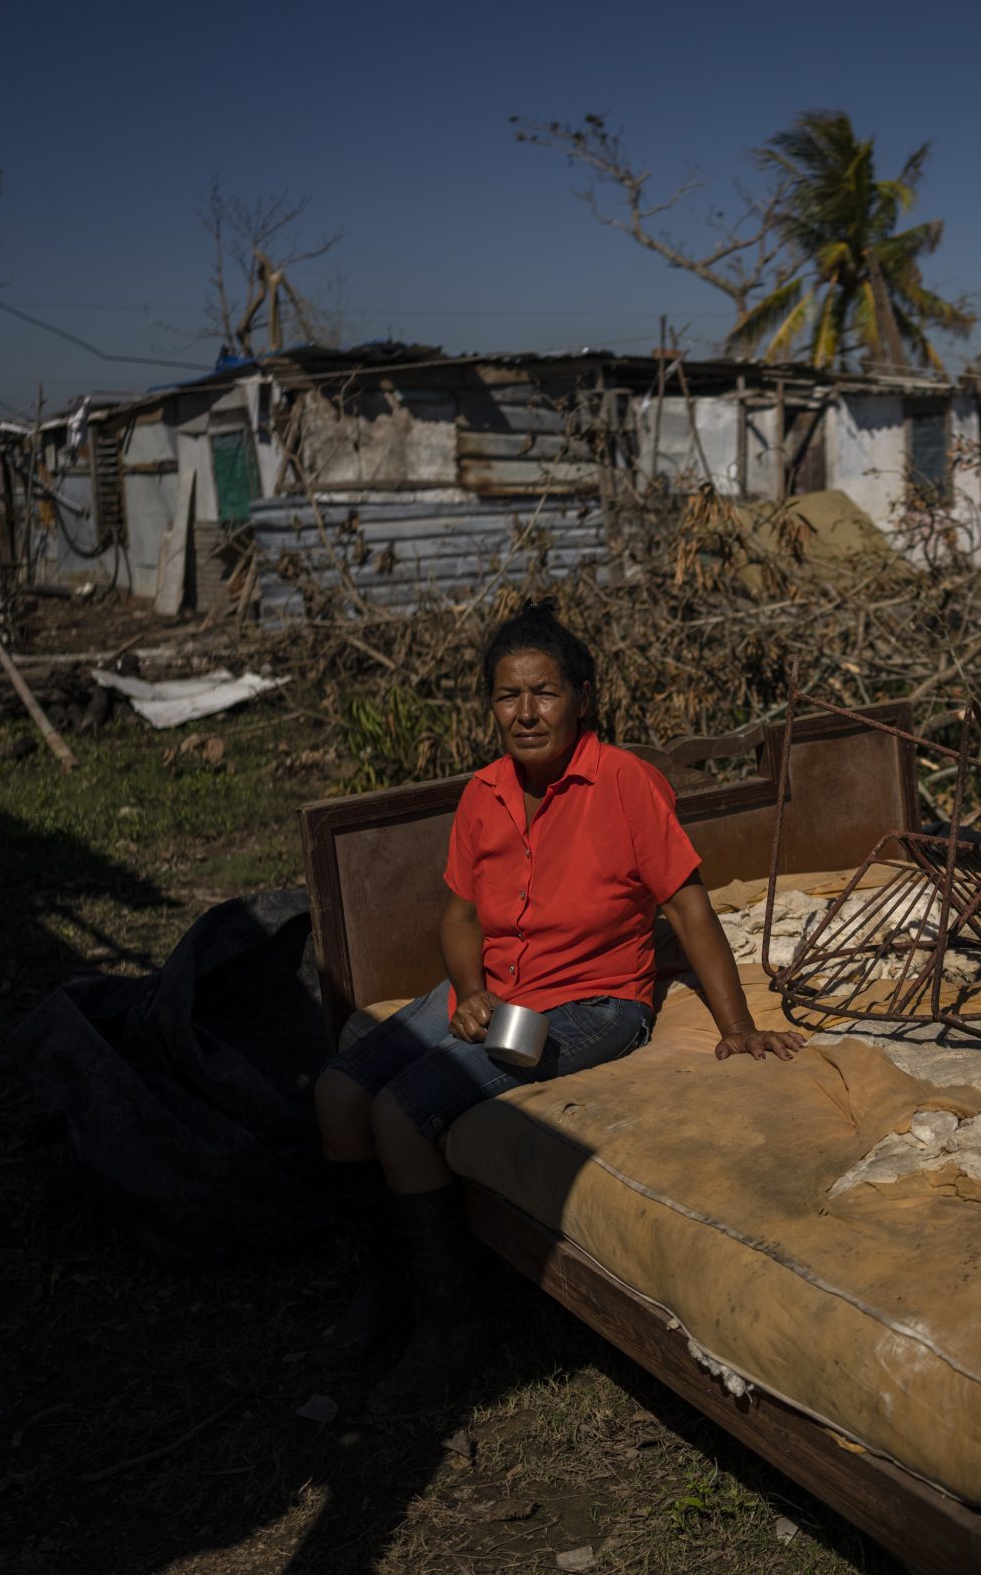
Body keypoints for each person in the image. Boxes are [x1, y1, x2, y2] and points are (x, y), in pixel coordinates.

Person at [311, 602, 803, 1414]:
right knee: (337, 1092)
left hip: (595, 1003)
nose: (526, 712)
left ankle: (452, 1329)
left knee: (404, 1113)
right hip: (495, 990)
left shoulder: (625, 785)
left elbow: (688, 910)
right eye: (508, 696)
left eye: (544, 692)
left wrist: (739, 1028)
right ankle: (382, 1286)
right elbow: (460, 915)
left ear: (582, 697)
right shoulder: (484, 795)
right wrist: (468, 992)